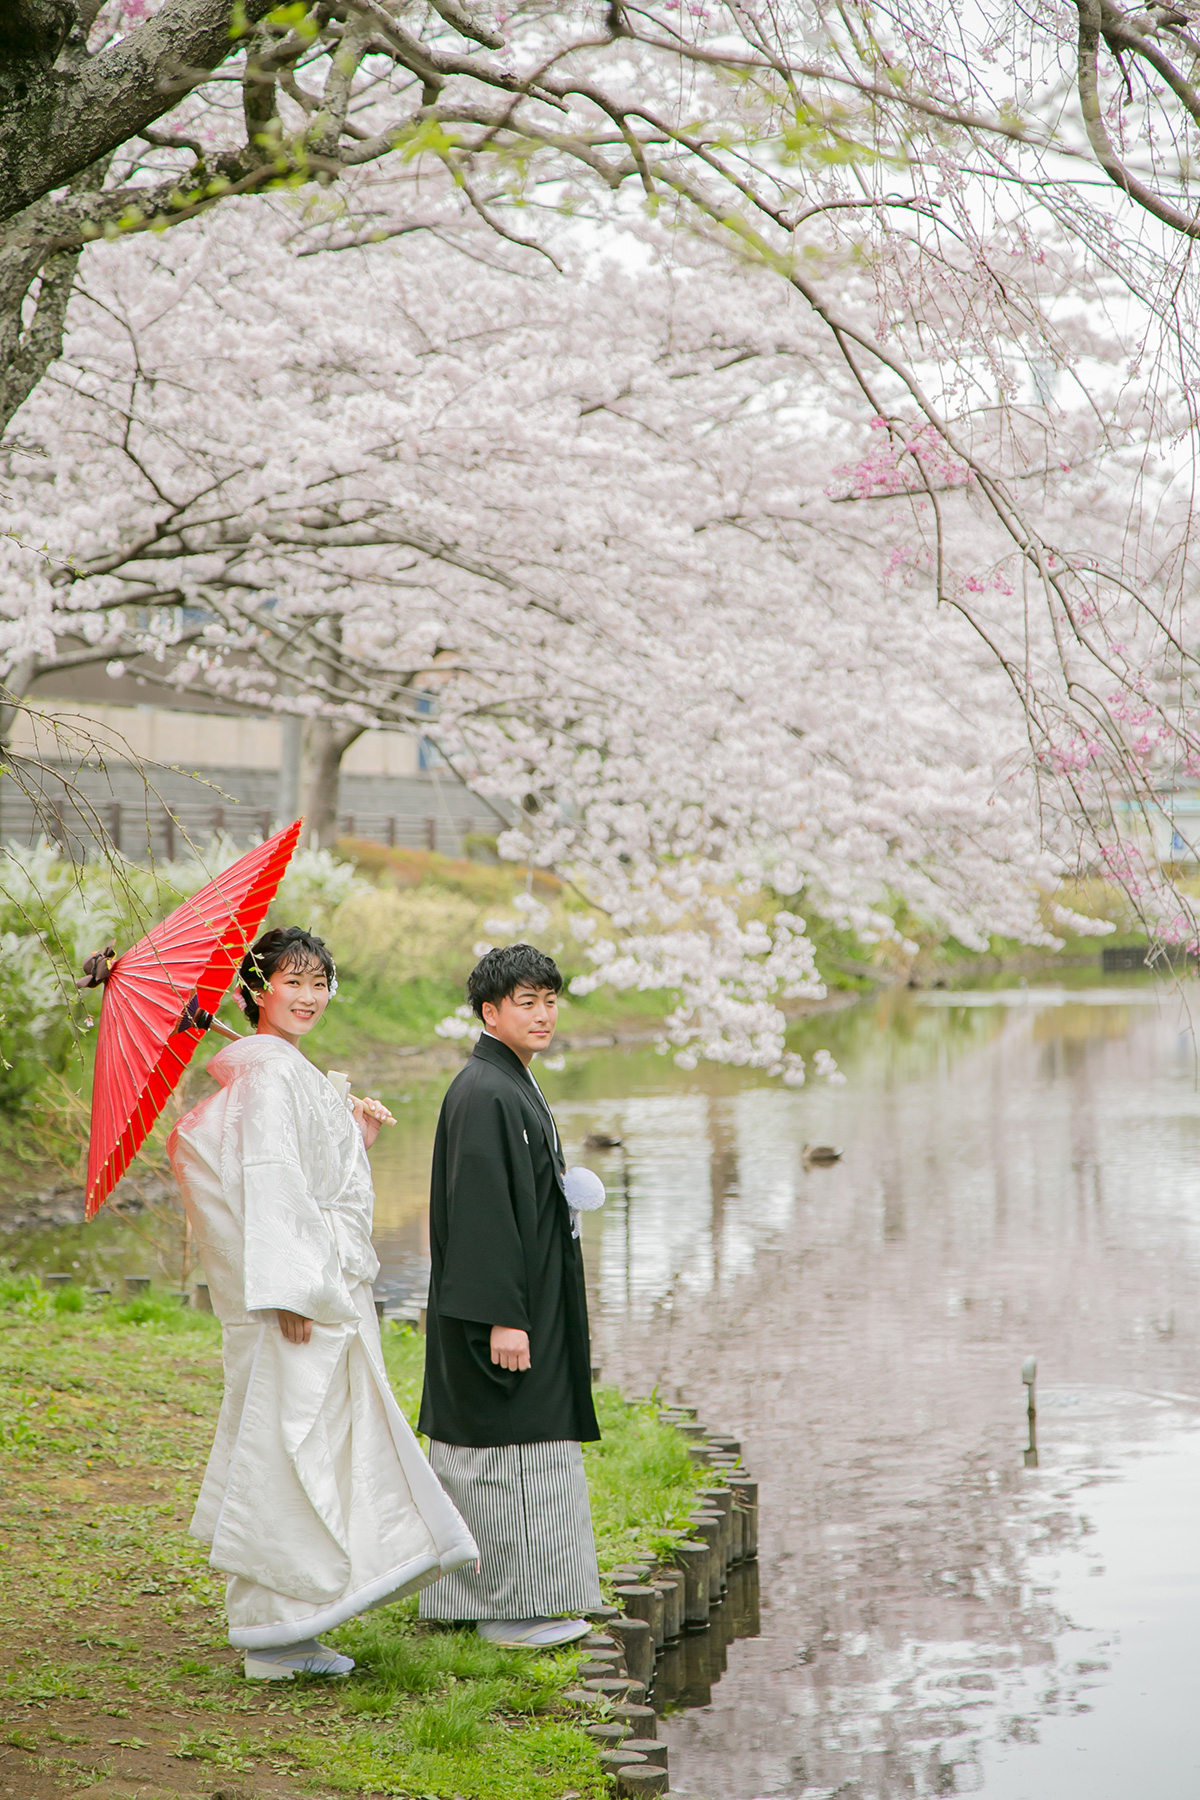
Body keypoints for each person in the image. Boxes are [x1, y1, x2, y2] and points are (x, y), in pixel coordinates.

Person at [168, 926, 478, 1680]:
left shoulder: (275, 1070)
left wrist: (351, 1135)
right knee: (290, 1446)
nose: (308, 997)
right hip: (297, 1296)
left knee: (299, 1444)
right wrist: (288, 1289)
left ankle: (290, 1625)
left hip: (307, 1284)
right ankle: (276, 1632)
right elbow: (271, 1188)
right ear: (255, 991)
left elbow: (300, 1177)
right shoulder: (272, 1076)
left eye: (319, 983)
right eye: (291, 982)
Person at [418, 942, 603, 1649]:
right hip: (503, 1318)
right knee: (508, 1456)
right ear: (490, 1012)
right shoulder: (486, 1091)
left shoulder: (509, 1083)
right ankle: (510, 1609)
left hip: (529, 1308)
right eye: (526, 1002)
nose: (543, 1013)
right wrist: (503, 1317)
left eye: (550, 1000)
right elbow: (481, 1216)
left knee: (521, 1452)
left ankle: (503, 1598)